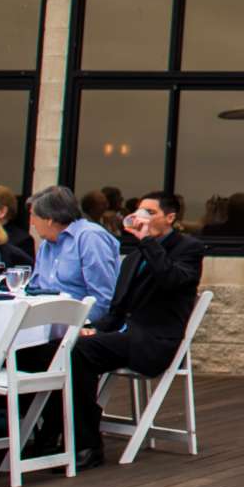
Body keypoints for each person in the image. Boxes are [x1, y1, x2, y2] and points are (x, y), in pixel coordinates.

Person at [64, 190, 207, 469]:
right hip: (125, 335)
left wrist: (148, 242)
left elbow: (170, 280)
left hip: (154, 341)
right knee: (67, 345)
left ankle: (87, 445)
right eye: (140, 211)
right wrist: (93, 329)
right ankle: (59, 435)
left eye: (150, 212)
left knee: (80, 353)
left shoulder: (188, 249)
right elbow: (116, 311)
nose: (142, 217)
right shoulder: (132, 257)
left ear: (170, 218)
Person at [26, 184, 122, 322]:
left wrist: (79, 326)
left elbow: (103, 299)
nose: (32, 223)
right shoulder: (46, 244)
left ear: (49, 219)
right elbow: (35, 290)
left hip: (83, 327)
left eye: (33, 216)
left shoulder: (89, 237)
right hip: (47, 322)